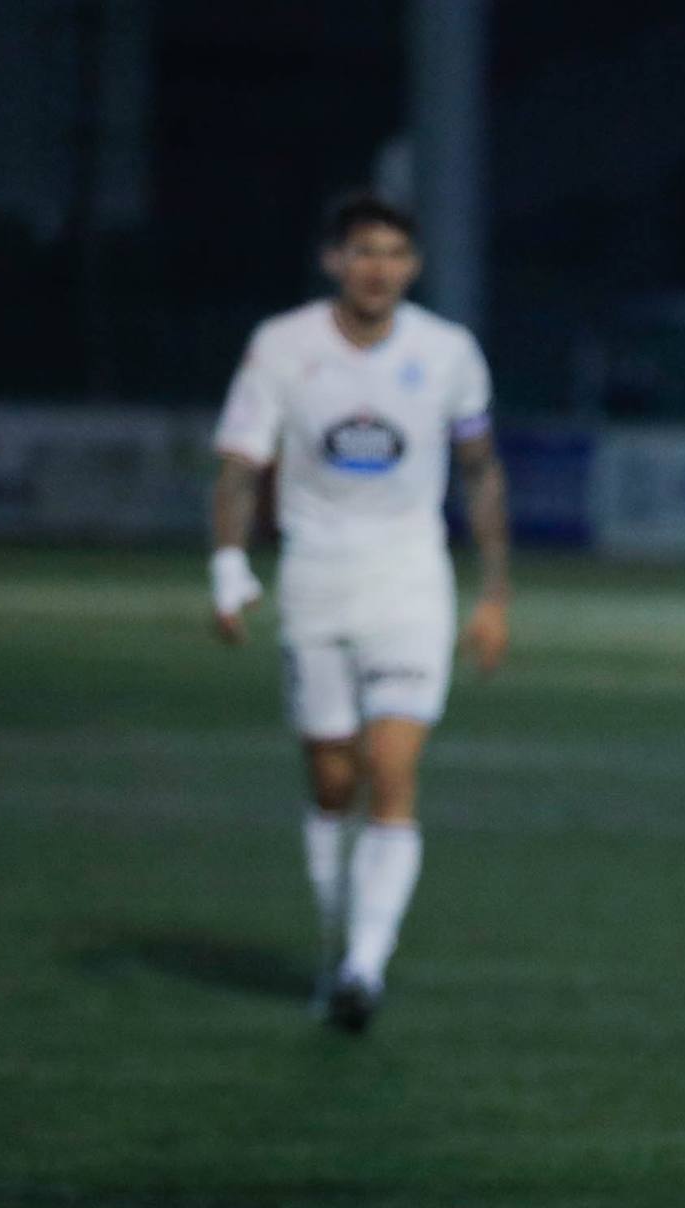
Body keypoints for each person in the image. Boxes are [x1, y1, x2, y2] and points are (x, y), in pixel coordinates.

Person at [209, 189, 512, 1032]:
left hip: (411, 581)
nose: (378, 268)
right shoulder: (282, 346)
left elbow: (481, 470)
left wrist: (493, 594)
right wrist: (229, 564)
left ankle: (364, 972)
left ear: (413, 268)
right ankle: (341, 938)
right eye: (363, 251)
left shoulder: (448, 352)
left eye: (395, 254)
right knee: (331, 779)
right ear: (333, 260)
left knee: (391, 767)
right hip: (315, 580)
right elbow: (239, 464)